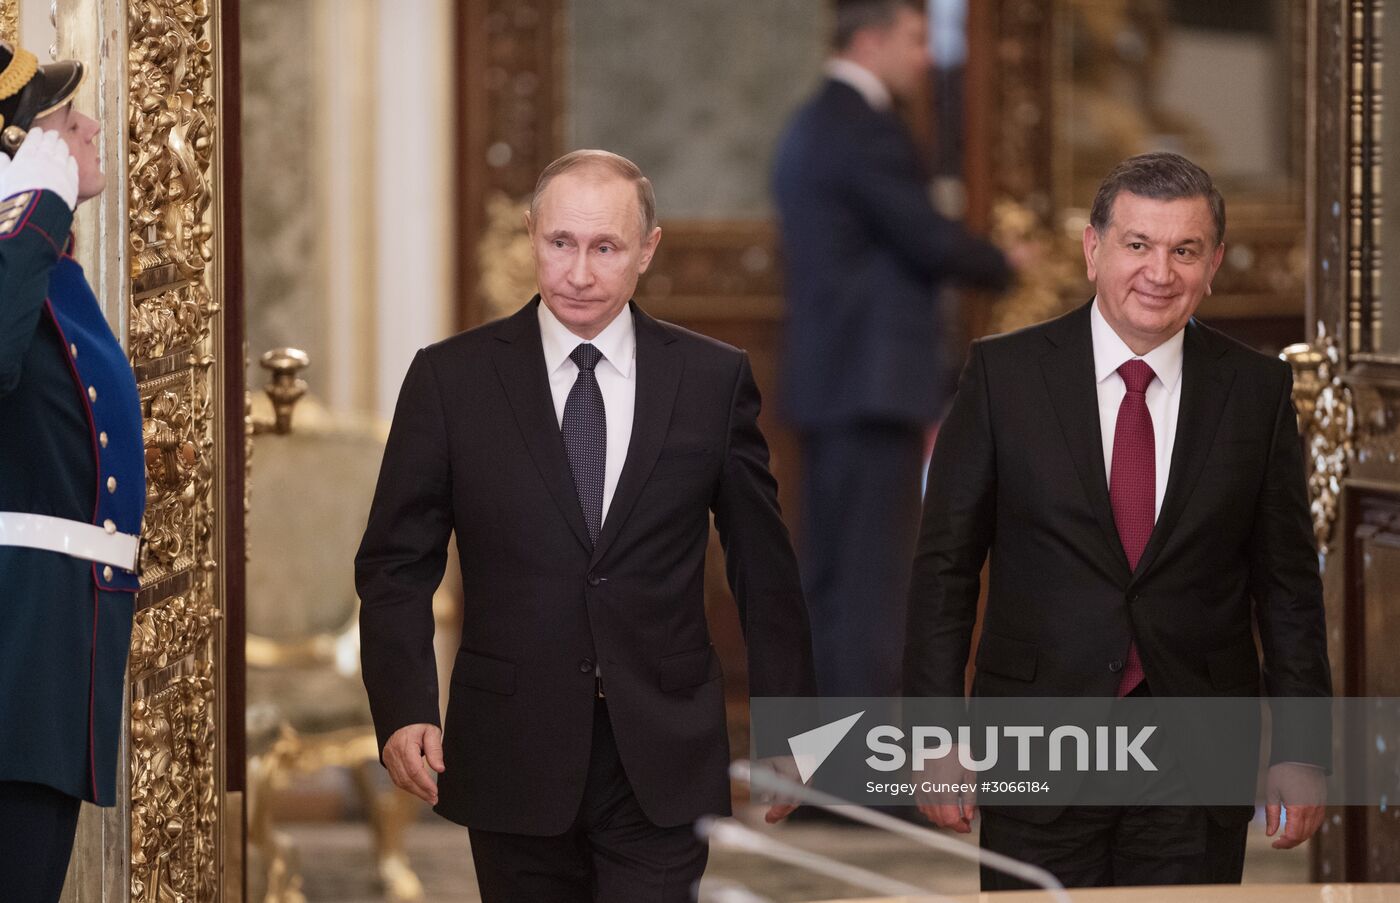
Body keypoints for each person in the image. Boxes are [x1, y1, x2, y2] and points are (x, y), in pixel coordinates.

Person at [356, 149, 815, 902]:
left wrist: (792, 721)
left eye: (604, 247)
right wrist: (404, 706)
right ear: (532, 236)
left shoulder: (710, 379)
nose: (578, 271)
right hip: (513, 746)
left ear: (647, 250)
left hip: (663, 747)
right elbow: (395, 564)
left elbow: (762, 563)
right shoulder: (451, 379)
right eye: (559, 243)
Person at [903, 152, 1332, 888]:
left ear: (1215, 262)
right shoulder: (1004, 377)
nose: (1159, 272)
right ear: (1093, 248)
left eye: (1184, 250)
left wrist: (1303, 747)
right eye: (1138, 244)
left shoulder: (1256, 391)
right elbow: (944, 567)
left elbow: (1288, 586)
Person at [772, 0, 1015, 698]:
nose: (927, 56)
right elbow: (924, 236)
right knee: (869, 588)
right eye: (915, 38)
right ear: (873, 39)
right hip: (868, 388)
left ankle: (834, 768)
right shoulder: (864, 126)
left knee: (836, 583)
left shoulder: (815, 121)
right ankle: (862, 779)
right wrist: (1006, 261)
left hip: (835, 385)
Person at [0, 43, 145, 903]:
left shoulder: (49, 275)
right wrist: (32, 213)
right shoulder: (23, 259)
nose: (87, 125)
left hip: (51, 642)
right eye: (60, 117)